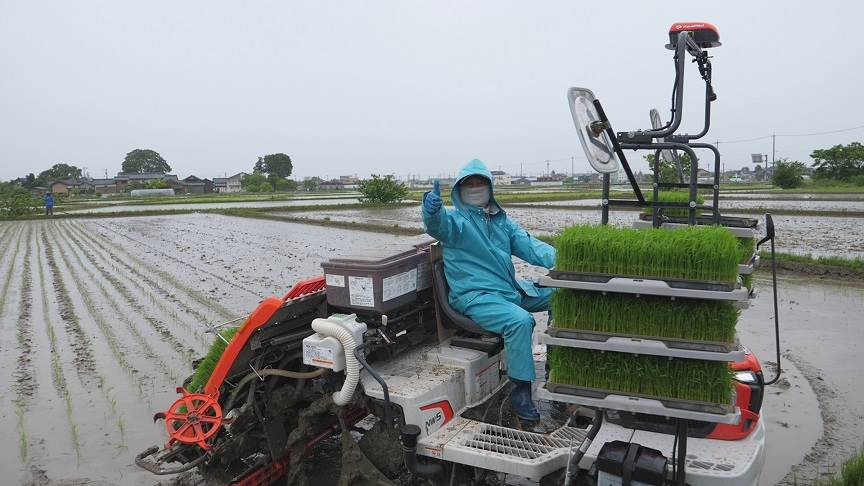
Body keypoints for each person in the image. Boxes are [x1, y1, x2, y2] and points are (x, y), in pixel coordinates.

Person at [422, 159, 555, 422]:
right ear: (459, 190)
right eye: (468, 184)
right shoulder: (456, 223)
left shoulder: (500, 221)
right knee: (520, 321)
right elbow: (437, 226)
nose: (474, 188)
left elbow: (532, 247)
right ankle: (521, 390)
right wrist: (431, 211)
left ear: (489, 187)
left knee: (562, 295)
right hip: (476, 296)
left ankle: (558, 363)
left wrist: (572, 259)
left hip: (507, 291)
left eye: (479, 183)